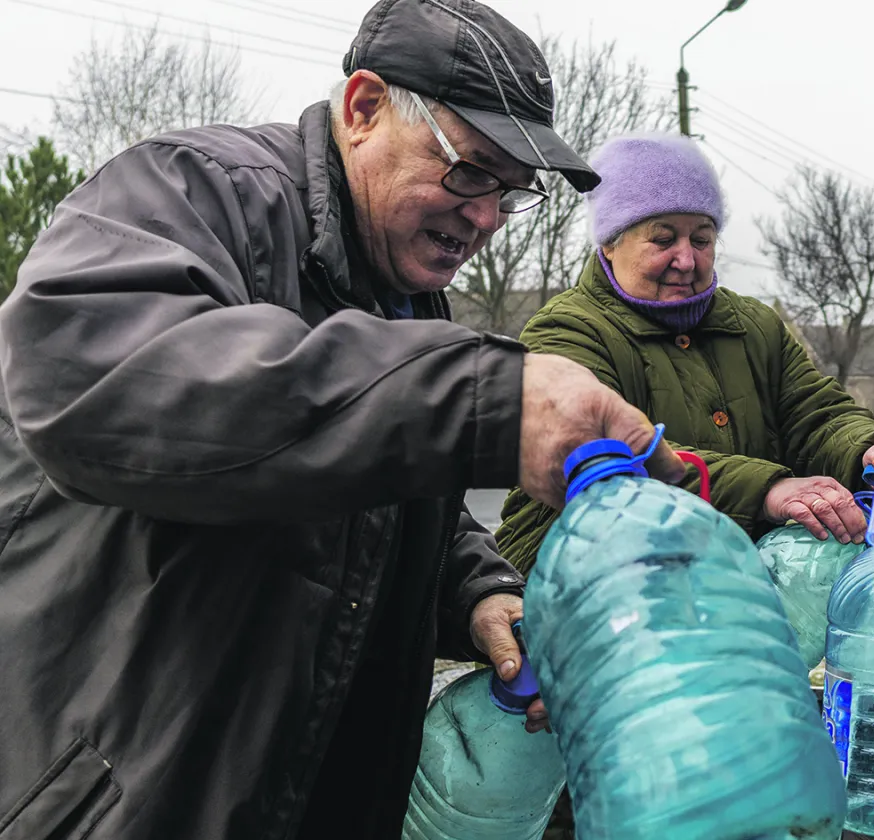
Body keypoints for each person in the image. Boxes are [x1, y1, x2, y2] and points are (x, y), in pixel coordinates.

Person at [0, 2, 681, 839]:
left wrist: (476, 590)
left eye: (511, 192)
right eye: (471, 171)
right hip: (116, 804)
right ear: (363, 108)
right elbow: (91, 383)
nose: (485, 219)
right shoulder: (193, 189)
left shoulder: (407, 298)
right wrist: (489, 403)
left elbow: (367, 507)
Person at [496, 133, 874, 576]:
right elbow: (608, 458)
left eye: (701, 239)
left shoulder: (755, 326)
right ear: (609, 242)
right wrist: (767, 490)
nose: (686, 259)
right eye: (663, 239)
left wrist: (869, 449)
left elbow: (814, 415)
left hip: (720, 583)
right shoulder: (566, 329)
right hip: (580, 580)